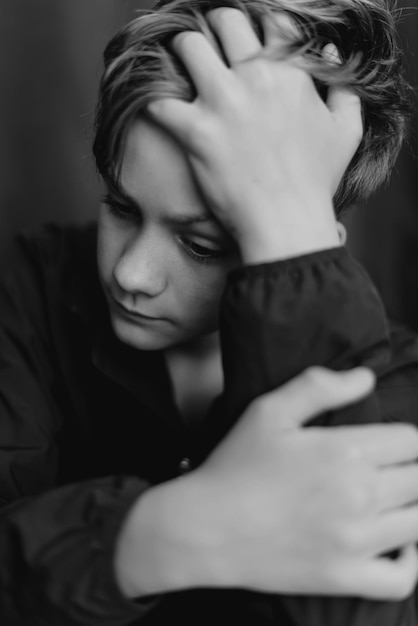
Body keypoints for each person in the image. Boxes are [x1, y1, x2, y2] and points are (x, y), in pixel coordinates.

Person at [1, 0, 418, 624]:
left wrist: (288, 239)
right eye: (120, 206)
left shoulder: (398, 389)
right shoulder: (26, 286)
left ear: (312, 231)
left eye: (203, 244)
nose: (129, 274)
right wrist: (175, 530)